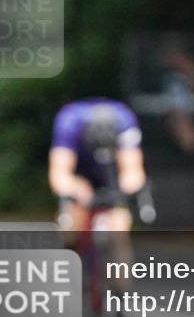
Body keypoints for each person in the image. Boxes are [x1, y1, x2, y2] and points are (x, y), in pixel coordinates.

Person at [49, 97, 148, 234]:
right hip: (80, 171)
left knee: (118, 228)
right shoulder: (69, 121)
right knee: (71, 226)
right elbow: (59, 176)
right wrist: (77, 189)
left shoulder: (124, 119)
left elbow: (134, 172)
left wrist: (119, 194)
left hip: (112, 175)